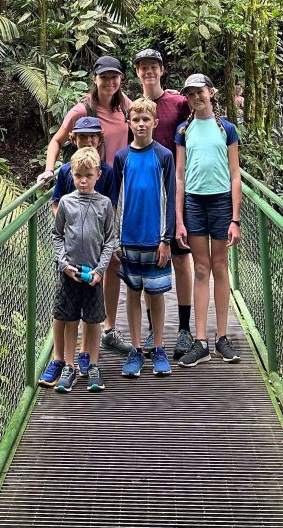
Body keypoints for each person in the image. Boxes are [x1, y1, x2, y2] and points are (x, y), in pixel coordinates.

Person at [38, 55, 131, 356]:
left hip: (112, 182)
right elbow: (57, 140)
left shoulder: (122, 105)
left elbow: (147, 116)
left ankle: (108, 328)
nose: (110, 82)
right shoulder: (82, 110)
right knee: (81, 261)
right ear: (95, 79)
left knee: (113, 259)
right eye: (104, 77)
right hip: (84, 182)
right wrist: (50, 169)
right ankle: (68, 350)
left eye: (115, 77)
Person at [39, 117, 117, 387]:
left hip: (93, 266)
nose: (83, 180)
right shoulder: (65, 179)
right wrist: (63, 262)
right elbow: (57, 228)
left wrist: (101, 268)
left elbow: (110, 233)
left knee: (93, 316)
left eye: (93, 136)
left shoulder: (105, 184)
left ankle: (89, 361)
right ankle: (63, 362)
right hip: (68, 264)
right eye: (79, 176)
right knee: (65, 313)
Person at [175, 73, 242, 367]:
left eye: (199, 92)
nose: (195, 98)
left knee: (220, 266)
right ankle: (200, 340)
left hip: (220, 202)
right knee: (200, 267)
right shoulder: (183, 130)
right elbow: (179, 175)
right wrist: (179, 218)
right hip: (194, 202)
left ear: (211, 92)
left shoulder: (226, 129)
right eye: (190, 94)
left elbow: (235, 175)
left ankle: (222, 337)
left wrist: (235, 218)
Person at [132, 48, 193, 359]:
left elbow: (200, 126)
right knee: (146, 262)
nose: (148, 72)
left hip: (176, 190)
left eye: (153, 67)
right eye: (143, 67)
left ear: (162, 69)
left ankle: (183, 328)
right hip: (145, 194)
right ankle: (154, 329)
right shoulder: (134, 107)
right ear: (138, 72)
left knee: (181, 257)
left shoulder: (178, 103)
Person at [111, 98, 175, 379]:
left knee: (156, 294)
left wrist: (167, 238)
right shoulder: (122, 158)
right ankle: (136, 349)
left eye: (145, 120)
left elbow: (171, 199)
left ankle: (158, 346)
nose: (140, 124)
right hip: (129, 238)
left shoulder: (164, 156)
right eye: (135, 120)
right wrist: (115, 240)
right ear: (129, 123)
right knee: (132, 293)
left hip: (155, 238)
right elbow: (116, 200)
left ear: (155, 123)